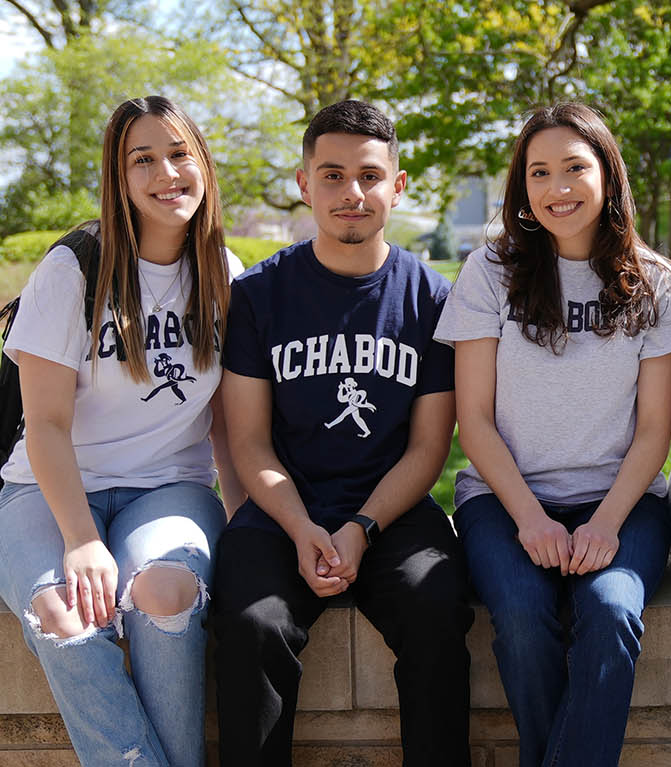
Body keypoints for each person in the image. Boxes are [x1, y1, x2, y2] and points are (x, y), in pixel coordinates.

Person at [209, 99, 471, 767]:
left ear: (397, 185)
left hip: (393, 509)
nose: (351, 193)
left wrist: (361, 526)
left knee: (438, 609)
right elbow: (249, 441)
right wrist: (302, 528)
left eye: (369, 175)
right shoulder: (261, 295)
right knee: (248, 622)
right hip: (282, 510)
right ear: (304, 183)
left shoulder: (432, 299)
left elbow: (428, 448)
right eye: (331, 175)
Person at [0, 95, 244, 767]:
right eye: (144, 159)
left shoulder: (226, 275)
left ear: (205, 165)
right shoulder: (74, 269)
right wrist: (80, 540)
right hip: (47, 493)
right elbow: (43, 421)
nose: (167, 172)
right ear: (119, 177)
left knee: (165, 594)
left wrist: (246, 528)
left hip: (168, 489)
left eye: (180, 153)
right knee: (64, 618)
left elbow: (227, 427)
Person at [436, 102, 671, 767]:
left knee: (609, 610)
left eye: (575, 167)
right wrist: (529, 518)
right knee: (520, 615)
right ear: (523, 188)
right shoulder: (490, 273)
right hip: (503, 495)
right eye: (539, 173)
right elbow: (475, 421)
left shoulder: (654, 281)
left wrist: (605, 522)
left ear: (607, 175)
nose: (558, 188)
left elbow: (655, 430)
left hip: (624, 499)